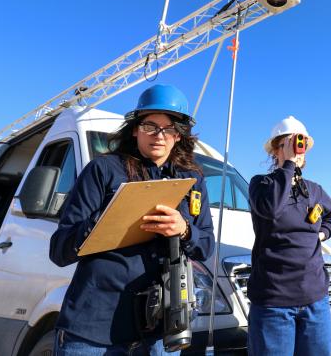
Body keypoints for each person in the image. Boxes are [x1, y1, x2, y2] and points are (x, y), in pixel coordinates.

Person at [49, 84, 215, 355]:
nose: (159, 136)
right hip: (95, 330)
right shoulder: (102, 170)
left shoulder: (192, 179)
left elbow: (206, 245)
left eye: (169, 128)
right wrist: (110, 218)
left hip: (161, 332)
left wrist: (184, 230)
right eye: (150, 126)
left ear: (179, 135)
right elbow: (59, 250)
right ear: (136, 128)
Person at [247, 116, 331, 356]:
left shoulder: (314, 190)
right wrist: (288, 166)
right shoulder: (261, 184)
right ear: (275, 151)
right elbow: (270, 208)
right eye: (288, 143)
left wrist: (321, 234)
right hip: (273, 303)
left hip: (315, 300)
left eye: (301, 144)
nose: (296, 149)